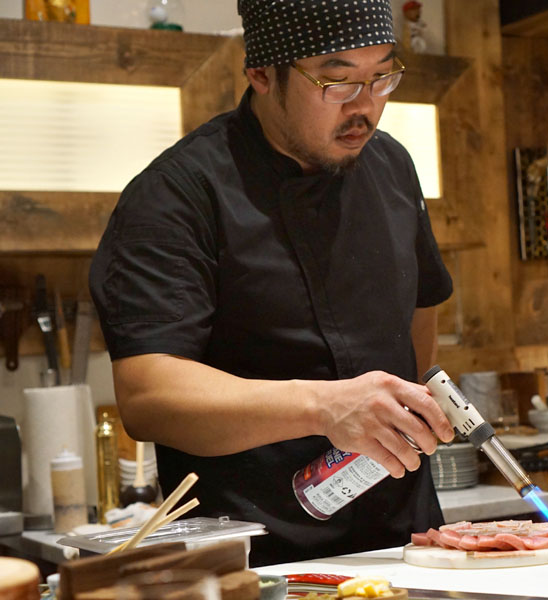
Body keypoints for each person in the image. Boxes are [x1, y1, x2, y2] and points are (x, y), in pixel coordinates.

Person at [88, 0, 455, 567]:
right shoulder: (177, 195)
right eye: (336, 81)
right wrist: (322, 406)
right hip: (260, 560)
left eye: (382, 75)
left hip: (406, 545)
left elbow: (421, 311)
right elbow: (148, 396)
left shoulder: (393, 167)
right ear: (261, 74)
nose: (366, 107)